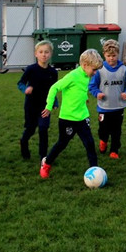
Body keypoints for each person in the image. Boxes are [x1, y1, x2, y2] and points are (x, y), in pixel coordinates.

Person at [40, 49, 103, 179]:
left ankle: (95, 171)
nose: (95, 73)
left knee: (90, 144)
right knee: (62, 143)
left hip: (82, 117)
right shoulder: (72, 76)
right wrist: (49, 106)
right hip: (67, 118)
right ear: (85, 65)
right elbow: (54, 88)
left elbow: (80, 90)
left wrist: (84, 97)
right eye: (94, 69)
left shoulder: (87, 76)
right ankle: (46, 164)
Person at [90, 39, 126, 159]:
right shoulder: (99, 70)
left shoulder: (124, 69)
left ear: (118, 54)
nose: (111, 58)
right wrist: (97, 93)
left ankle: (114, 150)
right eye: (108, 56)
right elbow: (92, 86)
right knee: (103, 130)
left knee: (116, 130)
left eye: (114, 55)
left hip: (118, 107)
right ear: (104, 55)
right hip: (104, 107)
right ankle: (103, 140)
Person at [17, 40, 58, 161]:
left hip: (45, 106)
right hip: (31, 106)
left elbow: (53, 89)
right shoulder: (31, 69)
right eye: (41, 52)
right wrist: (25, 89)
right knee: (30, 129)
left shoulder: (53, 72)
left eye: (46, 52)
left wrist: (54, 102)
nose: (43, 54)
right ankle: (23, 142)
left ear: (50, 54)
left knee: (43, 129)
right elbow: (20, 83)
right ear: (36, 54)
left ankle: (43, 157)